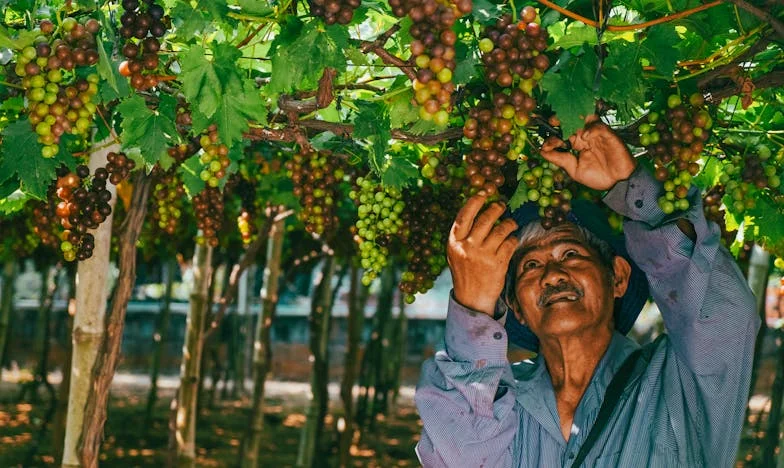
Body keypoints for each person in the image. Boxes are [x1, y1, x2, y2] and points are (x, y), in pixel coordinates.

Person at [414, 116, 759, 467]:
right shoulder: (498, 402)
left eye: (570, 254)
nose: (551, 276)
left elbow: (722, 315)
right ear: (516, 307)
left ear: (618, 277)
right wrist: (473, 308)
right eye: (531, 266)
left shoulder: (680, 387)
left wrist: (632, 190)